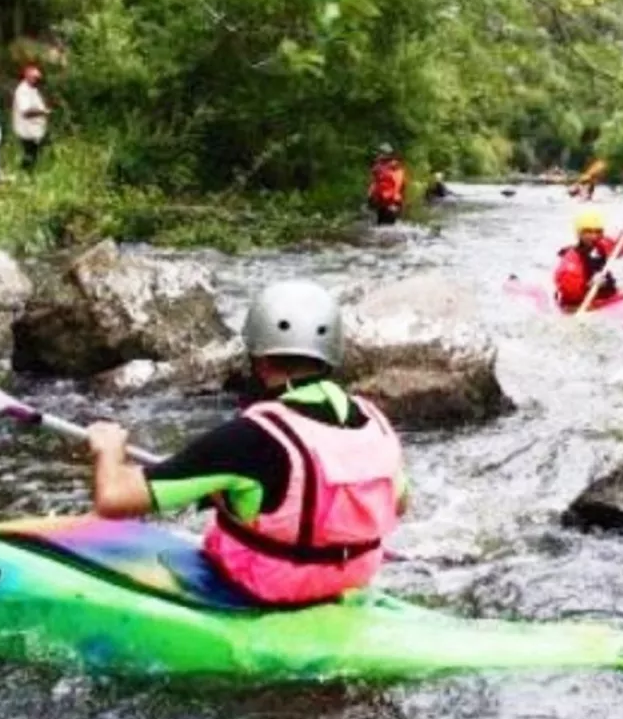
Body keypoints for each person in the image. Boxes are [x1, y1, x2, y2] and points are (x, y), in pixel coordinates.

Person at [84, 279, 408, 606]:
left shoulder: (248, 437)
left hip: (269, 586)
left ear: (260, 360)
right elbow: (398, 503)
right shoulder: (374, 421)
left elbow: (112, 500)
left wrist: (108, 450)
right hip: (353, 576)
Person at [554, 201, 623, 309]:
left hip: (603, 298)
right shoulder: (570, 261)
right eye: (588, 232)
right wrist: (588, 285)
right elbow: (570, 295)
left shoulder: (603, 245)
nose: (594, 236)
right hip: (580, 304)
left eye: (598, 232)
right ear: (579, 234)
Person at [12, 64, 49, 172]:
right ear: (27, 76)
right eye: (35, 78)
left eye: (38, 78)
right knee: (29, 155)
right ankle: (24, 175)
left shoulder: (33, 89)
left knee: (34, 155)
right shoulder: (23, 91)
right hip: (26, 129)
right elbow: (26, 111)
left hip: (35, 129)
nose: (37, 81)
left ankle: (28, 175)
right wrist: (43, 112)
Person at [367, 143, 407, 225]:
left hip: (390, 202)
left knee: (386, 227)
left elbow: (397, 184)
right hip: (383, 202)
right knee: (382, 226)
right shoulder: (379, 166)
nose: (378, 155)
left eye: (380, 153)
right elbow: (375, 183)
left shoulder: (393, 167)